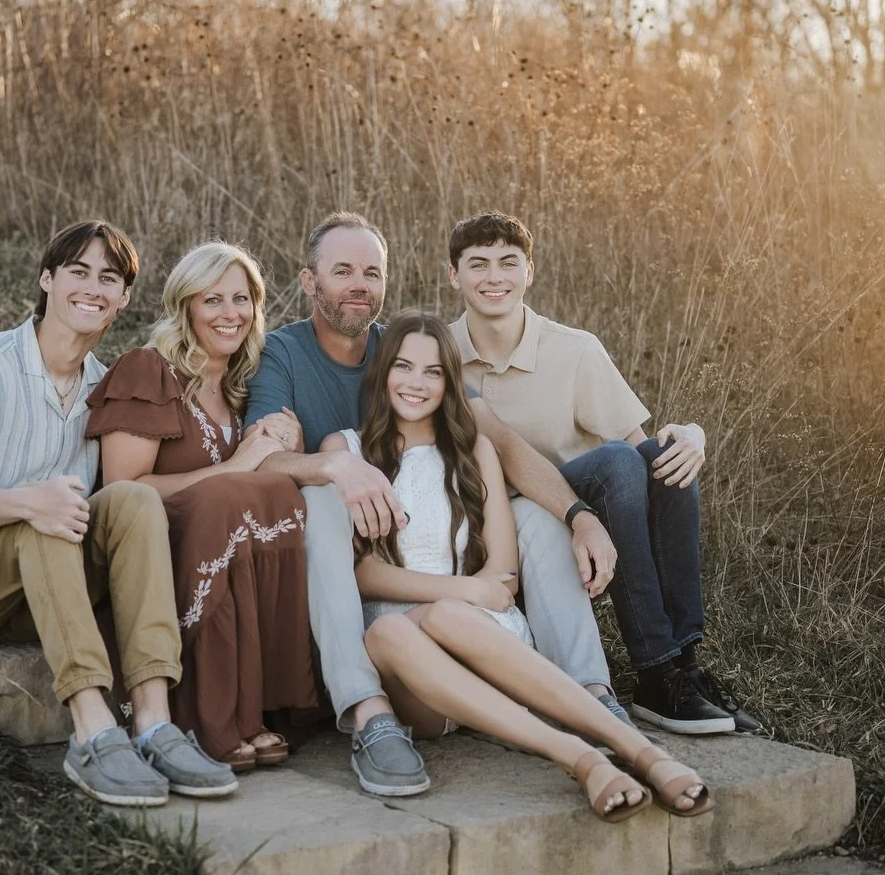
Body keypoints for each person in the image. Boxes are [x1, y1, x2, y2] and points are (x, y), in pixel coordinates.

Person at [243, 212, 626, 797]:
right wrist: (336, 467)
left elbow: (500, 442)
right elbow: (260, 461)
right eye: (341, 270)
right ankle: (367, 711)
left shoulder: (400, 349)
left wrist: (578, 515)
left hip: (432, 556)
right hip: (341, 552)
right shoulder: (284, 354)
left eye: (371, 272)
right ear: (308, 280)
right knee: (320, 503)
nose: (358, 284)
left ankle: (590, 696)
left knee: (533, 518)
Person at [0, 220, 238, 807]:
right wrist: (26, 502)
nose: (92, 287)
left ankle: (152, 722)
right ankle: (92, 729)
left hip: (30, 589)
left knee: (133, 499)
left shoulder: (103, 387)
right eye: (78, 271)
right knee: (48, 512)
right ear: (47, 280)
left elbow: (106, 508)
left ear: (121, 300)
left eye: (109, 278)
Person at [322, 311, 715, 821]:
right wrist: (464, 590)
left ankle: (644, 754)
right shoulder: (346, 451)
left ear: (450, 382)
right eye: (403, 367)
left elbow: (504, 574)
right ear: (382, 374)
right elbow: (364, 574)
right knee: (391, 632)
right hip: (413, 675)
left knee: (445, 617)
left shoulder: (475, 452)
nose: (416, 383)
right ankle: (581, 757)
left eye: (433, 371)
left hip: (483, 642)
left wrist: (469, 597)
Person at [446, 210, 761, 733]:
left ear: (531, 271)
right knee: (616, 460)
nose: (493, 277)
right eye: (477, 265)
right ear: (453, 275)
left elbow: (644, 456)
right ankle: (658, 670)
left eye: (508, 262)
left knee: (661, 459)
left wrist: (687, 440)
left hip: (579, 506)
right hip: (506, 522)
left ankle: (682, 665)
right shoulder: (440, 356)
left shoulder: (574, 349)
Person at [86, 242, 318, 771]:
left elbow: (260, 487)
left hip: (225, 546)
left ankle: (252, 706)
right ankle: (206, 712)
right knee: (226, 495)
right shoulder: (148, 371)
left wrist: (287, 445)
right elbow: (124, 490)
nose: (230, 314)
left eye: (242, 300)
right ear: (186, 305)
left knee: (275, 492)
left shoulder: (243, 389)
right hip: (155, 555)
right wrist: (236, 467)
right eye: (213, 300)